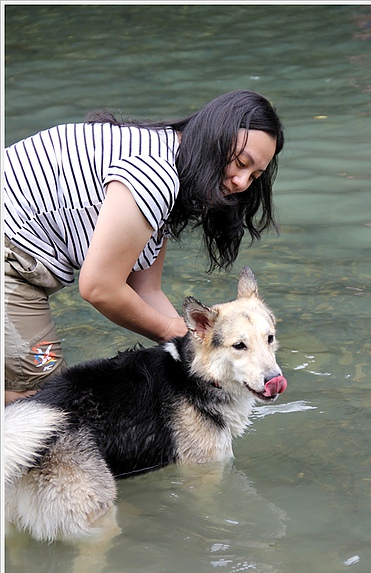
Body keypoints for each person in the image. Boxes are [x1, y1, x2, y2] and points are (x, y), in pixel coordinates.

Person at [4, 89, 284, 404]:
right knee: (49, 404)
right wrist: (174, 332)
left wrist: (196, 347)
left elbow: (146, 290)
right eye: (240, 163)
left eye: (255, 175)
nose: (242, 183)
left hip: (15, 257)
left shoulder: (170, 160)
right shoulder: (156, 177)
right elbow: (99, 287)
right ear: (213, 139)